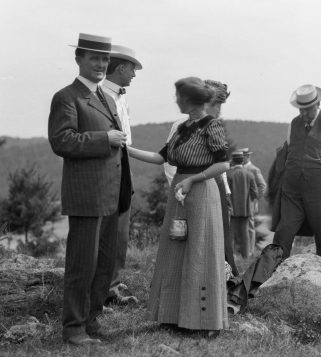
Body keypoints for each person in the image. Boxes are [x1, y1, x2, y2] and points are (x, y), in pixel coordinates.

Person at [127, 77, 229, 336]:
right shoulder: (183, 127)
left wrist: (193, 179)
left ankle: (203, 320)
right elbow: (161, 157)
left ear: (190, 100)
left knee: (200, 252)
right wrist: (126, 149)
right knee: (175, 250)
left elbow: (223, 164)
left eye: (179, 97)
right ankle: (172, 315)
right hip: (180, 193)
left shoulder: (212, 126)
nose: (176, 101)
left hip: (201, 191)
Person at [48, 33, 131, 345]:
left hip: (111, 195)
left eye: (105, 59)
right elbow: (61, 140)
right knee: (82, 265)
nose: (100, 64)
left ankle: (92, 322)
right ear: (79, 59)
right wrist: (104, 139)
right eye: (94, 58)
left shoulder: (106, 99)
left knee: (104, 264)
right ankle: (73, 328)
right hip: (86, 196)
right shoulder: (66, 97)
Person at [162, 79, 239, 276]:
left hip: (214, 186)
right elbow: (170, 163)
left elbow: (219, 162)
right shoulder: (182, 125)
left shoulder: (213, 125)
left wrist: (226, 192)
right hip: (188, 189)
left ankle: (223, 282)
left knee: (219, 238)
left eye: (221, 105)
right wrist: (179, 189)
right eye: (216, 104)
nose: (219, 110)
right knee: (193, 239)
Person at [271, 84, 321, 259]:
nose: (303, 114)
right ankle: (273, 273)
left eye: (307, 110)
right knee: (283, 231)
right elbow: (284, 156)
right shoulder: (294, 124)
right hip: (293, 191)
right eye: (301, 109)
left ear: (318, 105)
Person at [101, 44, 142, 305]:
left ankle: (111, 283)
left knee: (121, 228)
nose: (134, 75)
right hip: (107, 165)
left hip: (123, 161)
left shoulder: (121, 96)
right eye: (132, 70)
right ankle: (105, 287)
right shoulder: (101, 95)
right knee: (109, 228)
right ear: (121, 68)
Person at [228, 151, 258, 258]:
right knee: (245, 234)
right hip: (246, 209)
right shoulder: (249, 174)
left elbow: (226, 193)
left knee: (230, 235)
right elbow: (255, 193)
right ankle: (246, 256)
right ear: (242, 160)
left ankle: (230, 256)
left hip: (232, 209)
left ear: (232, 160)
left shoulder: (228, 174)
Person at [241, 148, 267, 245]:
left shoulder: (254, 170)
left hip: (249, 203)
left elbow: (262, 186)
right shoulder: (238, 168)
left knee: (249, 227)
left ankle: (250, 251)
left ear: (247, 157)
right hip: (238, 203)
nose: (240, 158)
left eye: (242, 156)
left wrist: (254, 199)